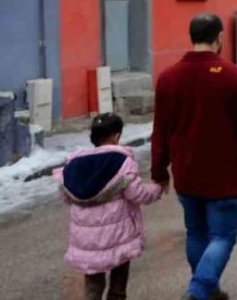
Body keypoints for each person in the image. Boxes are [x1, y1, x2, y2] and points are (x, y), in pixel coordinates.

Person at [151, 13, 237, 300]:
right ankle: (197, 290)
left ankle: (209, 289)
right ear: (220, 38)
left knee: (196, 233)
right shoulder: (233, 76)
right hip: (222, 176)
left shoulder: (168, 78)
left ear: (191, 37)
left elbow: (160, 131)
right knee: (222, 236)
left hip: (186, 174)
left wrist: (159, 172)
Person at [55, 113, 163, 300]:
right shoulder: (121, 163)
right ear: (116, 136)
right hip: (118, 235)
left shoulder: (73, 165)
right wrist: (158, 187)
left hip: (87, 240)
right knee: (119, 278)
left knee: (93, 280)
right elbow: (138, 194)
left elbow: (65, 196)